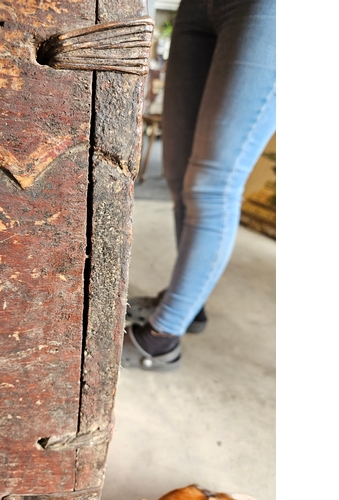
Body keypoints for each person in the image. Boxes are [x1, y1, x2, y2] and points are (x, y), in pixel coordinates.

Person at [122, 0, 276, 371]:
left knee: (212, 185)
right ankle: (190, 306)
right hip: (193, 8)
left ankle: (161, 340)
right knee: (177, 177)